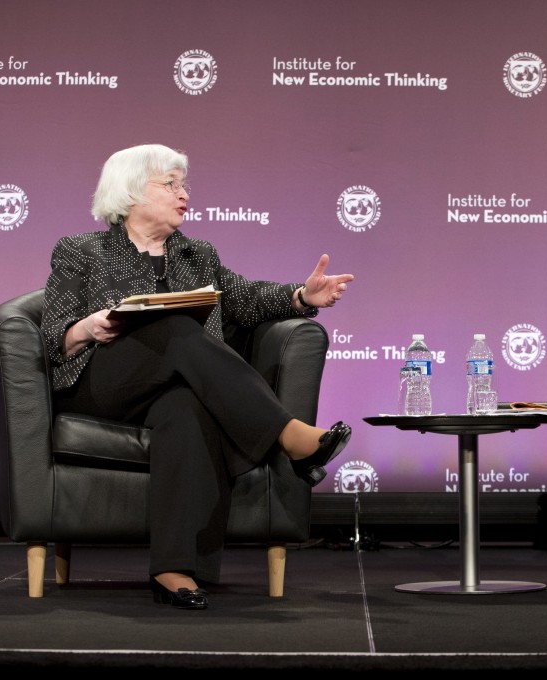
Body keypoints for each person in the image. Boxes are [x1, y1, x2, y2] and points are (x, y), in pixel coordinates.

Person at [42, 143, 355, 610]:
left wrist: (300, 296)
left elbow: (246, 299)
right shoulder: (81, 251)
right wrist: (89, 327)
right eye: (169, 185)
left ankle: (174, 570)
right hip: (103, 384)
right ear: (129, 191)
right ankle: (286, 434)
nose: (183, 193)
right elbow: (53, 339)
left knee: (186, 407)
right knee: (172, 324)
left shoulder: (196, 254)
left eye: (184, 184)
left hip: (170, 388)